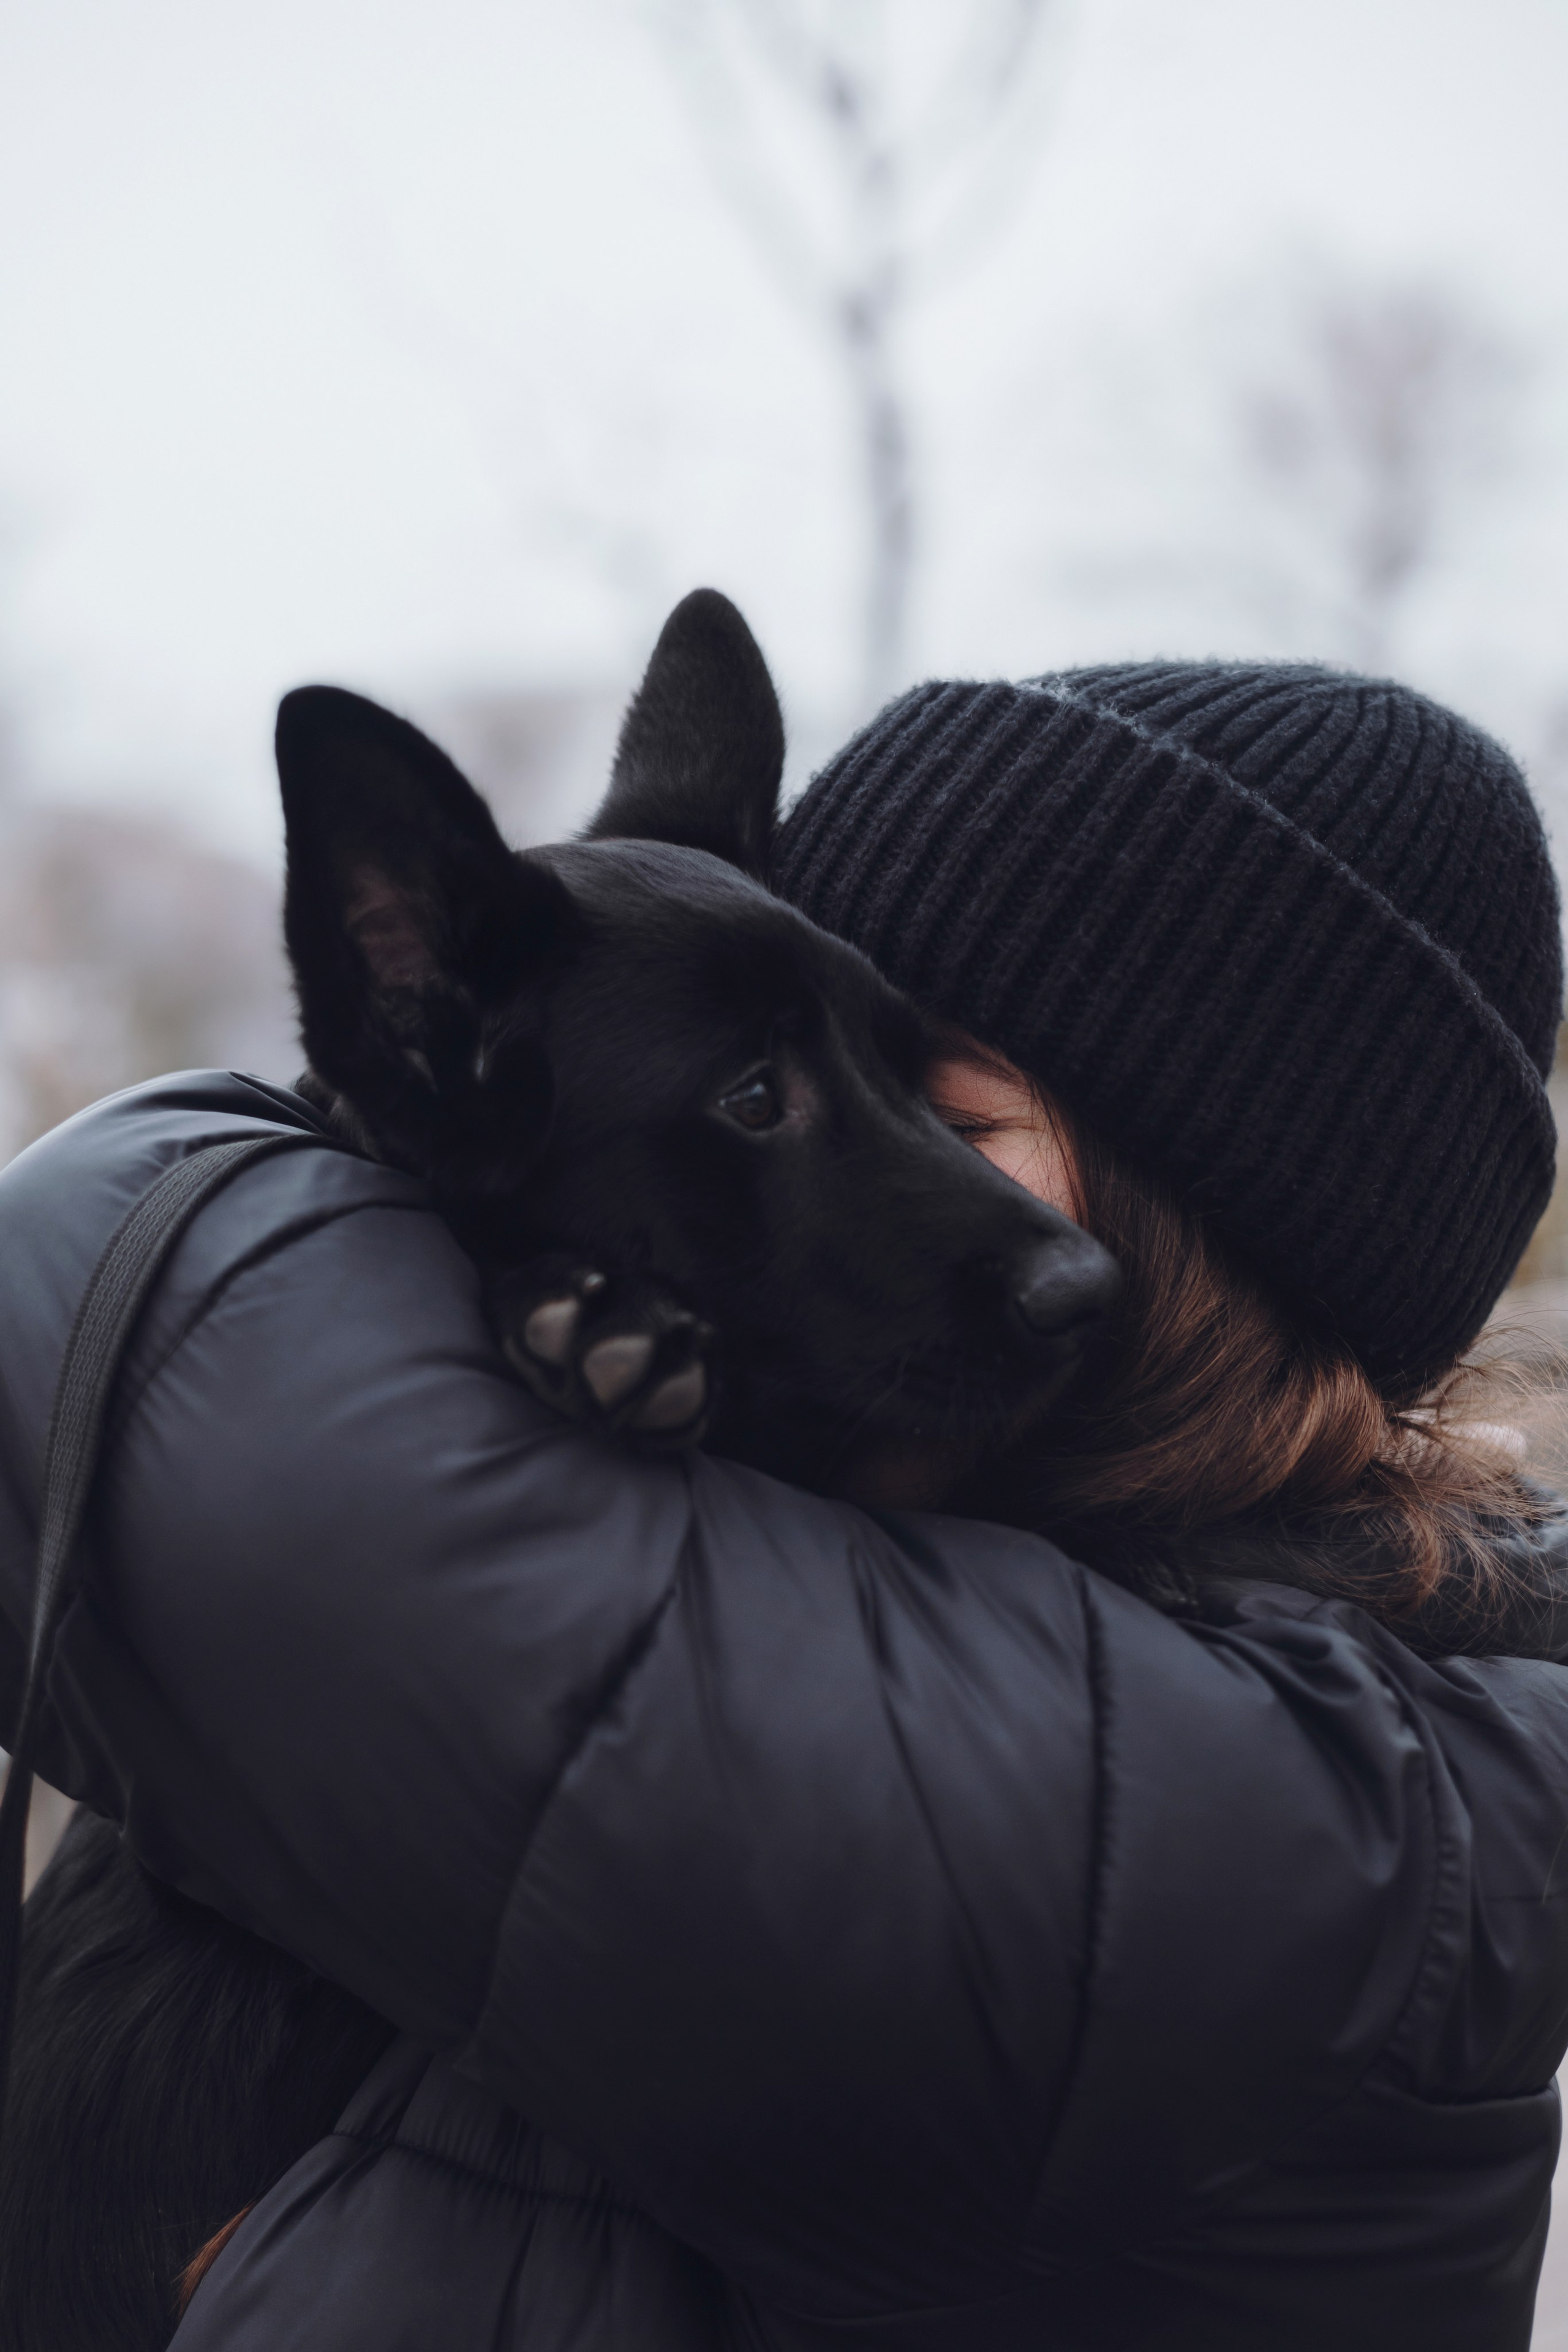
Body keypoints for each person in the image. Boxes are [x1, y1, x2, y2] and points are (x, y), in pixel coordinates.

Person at [1, 655, 1566, 2352]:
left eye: (950, 1114)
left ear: (1217, 1255)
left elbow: (108, 1279)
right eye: (794, 1091)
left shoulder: (1282, 1828)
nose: (912, 1182)